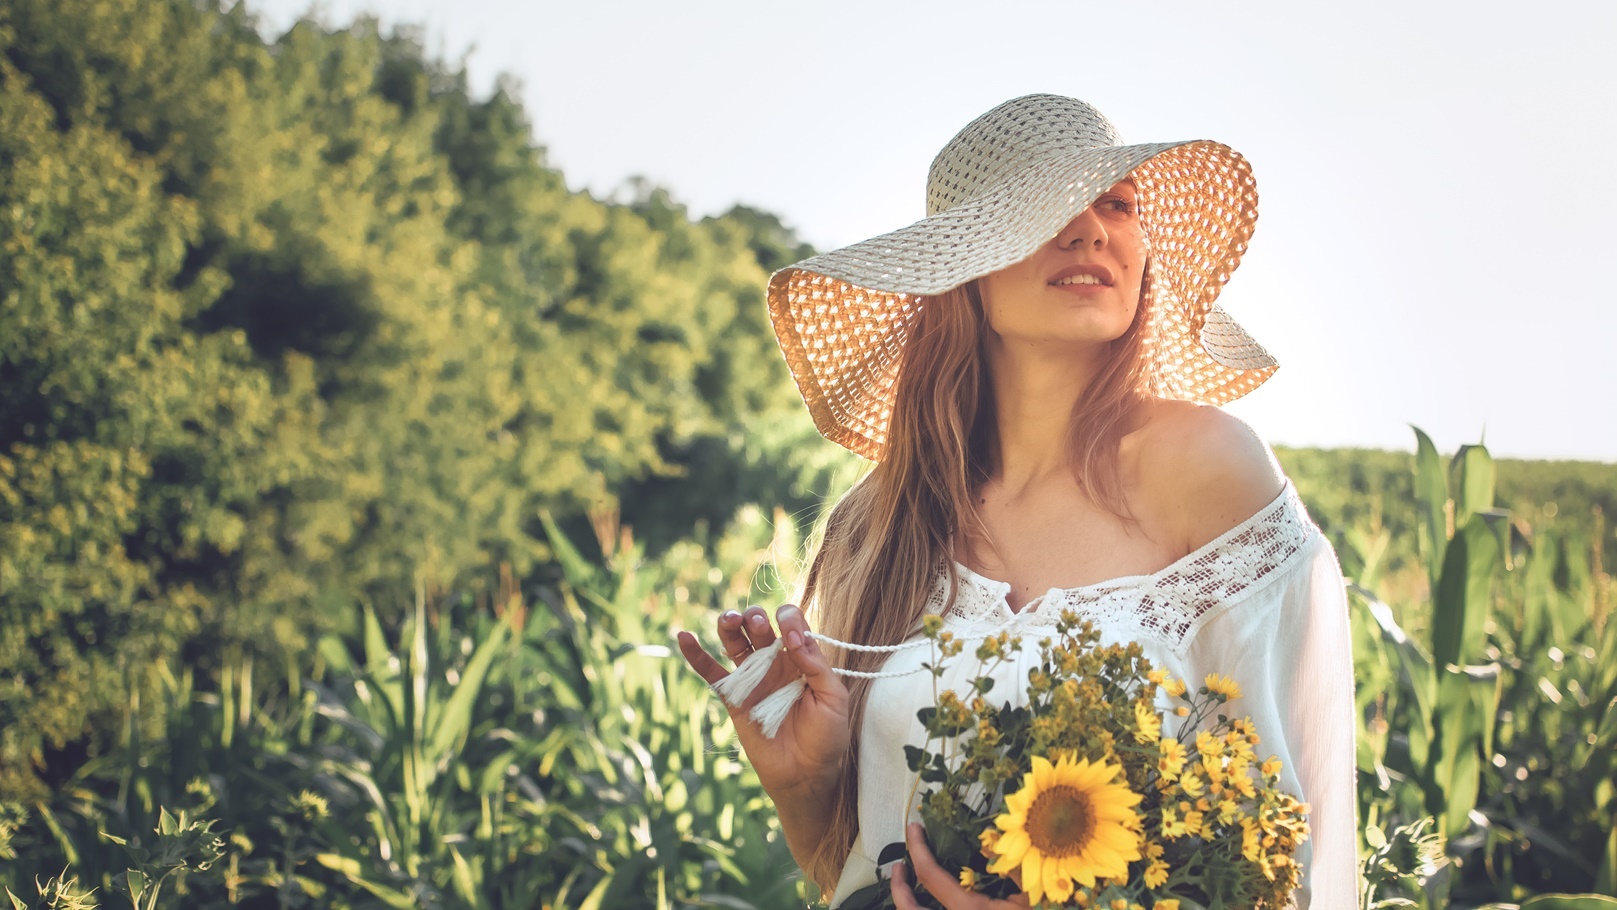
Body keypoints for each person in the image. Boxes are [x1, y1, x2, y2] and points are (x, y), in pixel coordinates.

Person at [676, 94, 1357, 909]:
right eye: (1043, 208)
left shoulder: (1207, 468)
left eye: (1117, 203)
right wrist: (803, 786)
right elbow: (848, 874)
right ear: (960, 269)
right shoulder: (885, 520)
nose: (1090, 229)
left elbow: (1285, 843)